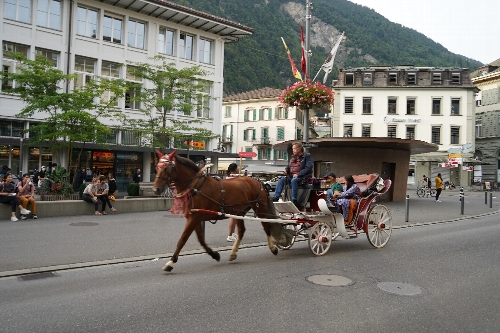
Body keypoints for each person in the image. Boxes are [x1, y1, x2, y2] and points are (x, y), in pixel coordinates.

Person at [272, 142, 313, 207]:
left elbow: (308, 167)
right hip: (291, 176)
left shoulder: (307, 156)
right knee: (281, 180)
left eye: (294, 149)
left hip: (302, 177)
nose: (293, 150)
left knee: (294, 180)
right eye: (292, 149)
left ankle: (294, 200)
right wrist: (286, 170)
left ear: (299, 149)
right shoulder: (293, 157)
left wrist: (298, 174)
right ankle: (276, 197)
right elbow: (289, 166)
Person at [225, 163, 240, 242]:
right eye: (237, 168)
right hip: (234, 199)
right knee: (233, 218)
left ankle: (232, 233)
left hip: (230, 199)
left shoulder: (227, 177)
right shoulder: (236, 177)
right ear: (235, 169)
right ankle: (230, 235)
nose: (238, 169)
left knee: (235, 217)